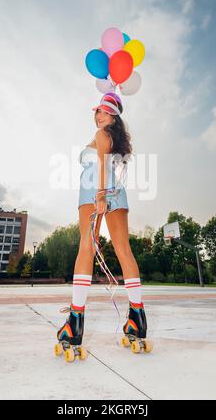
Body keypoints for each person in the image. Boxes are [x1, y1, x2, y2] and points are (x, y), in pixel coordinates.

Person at [56, 92, 148, 354]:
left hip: (94, 193)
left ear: (114, 116)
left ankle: (74, 322)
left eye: (105, 112)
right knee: (124, 251)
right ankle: (137, 319)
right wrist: (107, 194)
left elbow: (101, 166)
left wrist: (99, 196)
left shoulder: (101, 136)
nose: (99, 116)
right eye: (98, 111)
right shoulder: (113, 138)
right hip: (117, 193)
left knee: (86, 247)